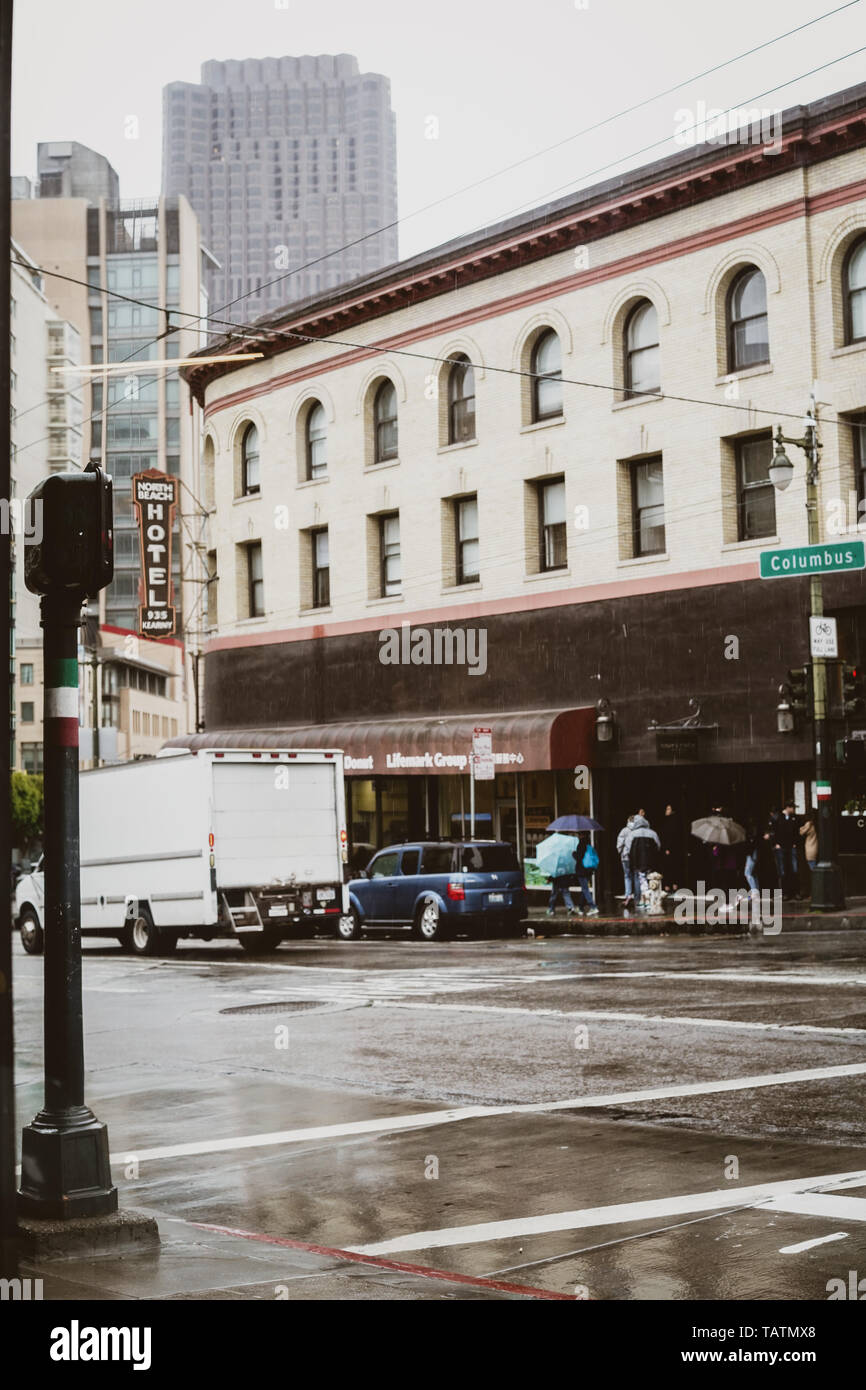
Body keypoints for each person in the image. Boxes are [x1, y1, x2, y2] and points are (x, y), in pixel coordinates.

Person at [625, 814, 661, 910]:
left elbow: (628, 847)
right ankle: (650, 900)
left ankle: (642, 900)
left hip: (637, 861)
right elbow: (658, 846)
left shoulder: (632, 834)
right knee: (650, 880)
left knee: (640, 880)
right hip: (650, 861)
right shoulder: (653, 833)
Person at [769, 801, 801, 899]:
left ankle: (795, 892)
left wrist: (796, 843)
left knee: (794, 869)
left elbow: (797, 831)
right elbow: (773, 831)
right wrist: (776, 844)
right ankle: (785, 893)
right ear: (788, 808)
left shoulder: (794, 818)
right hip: (781, 847)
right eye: (792, 808)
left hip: (791, 846)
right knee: (783, 871)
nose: (794, 810)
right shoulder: (778, 818)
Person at [572, 835, 600, 918]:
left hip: (582, 870)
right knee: (584, 889)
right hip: (588, 870)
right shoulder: (588, 844)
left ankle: (593, 907)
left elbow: (579, 857)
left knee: (585, 889)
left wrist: (574, 854)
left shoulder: (581, 844)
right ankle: (580, 908)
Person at [659, 804, 681, 891]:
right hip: (669, 849)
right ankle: (671, 885)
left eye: (668, 809)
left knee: (670, 867)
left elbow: (671, 836)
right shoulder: (668, 821)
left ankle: (670, 885)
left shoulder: (672, 821)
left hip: (670, 849)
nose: (666, 810)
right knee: (670, 867)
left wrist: (668, 848)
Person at [616, 815, 635, 908]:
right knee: (636, 875)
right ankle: (637, 894)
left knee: (627, 875)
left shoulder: (624, 830)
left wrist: (620, 852)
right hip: (635, 857)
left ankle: (628, 894)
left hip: (626, 856)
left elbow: (619, 843)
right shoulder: (637, 830)